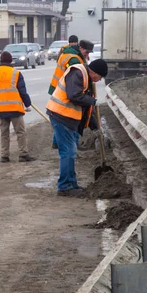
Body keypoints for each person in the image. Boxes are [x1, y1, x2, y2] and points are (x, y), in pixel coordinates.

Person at [46, 59, 109, 197]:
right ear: (94, 72)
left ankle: (72, 184)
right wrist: (92, 101)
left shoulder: (86, 78)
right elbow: (74, 95)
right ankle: (65, 187)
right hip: (61, 116)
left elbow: (86, 109)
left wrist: (95, 127)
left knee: (71, 151)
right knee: (68, 152)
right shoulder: (78, 73)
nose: (99, 81)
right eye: (99, 77)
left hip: (68, 118)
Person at [0, 51, 36, 163]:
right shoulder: (16, 74)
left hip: (0, 110)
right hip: (15, 109)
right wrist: (27, 104)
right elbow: (22, 91)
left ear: (0, 61)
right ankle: (23, 155)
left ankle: (4, 156)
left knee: (4, 134)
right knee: (20, 132)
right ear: (11, 61)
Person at [49, 39, 94, 149]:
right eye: (86, 52)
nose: (87, 55)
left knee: (60, 117)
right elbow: (77, 76)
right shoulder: (74, 59)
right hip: (65, 89)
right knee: (71, 116)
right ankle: (74, 142)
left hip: (59, 88)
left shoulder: (68, 53)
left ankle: (57, 142)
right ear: (80, 48)